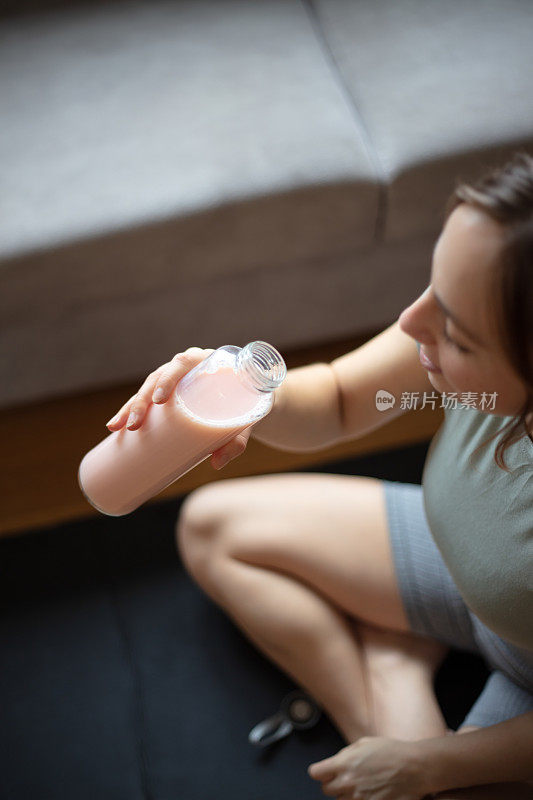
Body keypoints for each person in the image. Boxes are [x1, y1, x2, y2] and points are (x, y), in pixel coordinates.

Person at [106, 153, 533, 799]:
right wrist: (247, 391)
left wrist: (428, 766)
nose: (411, 324)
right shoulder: (462, 315)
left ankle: (393, 678)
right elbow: (338, 398)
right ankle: (395, 677)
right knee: (211, 527)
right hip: (460, 569)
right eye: (431, 287)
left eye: (457, 334)